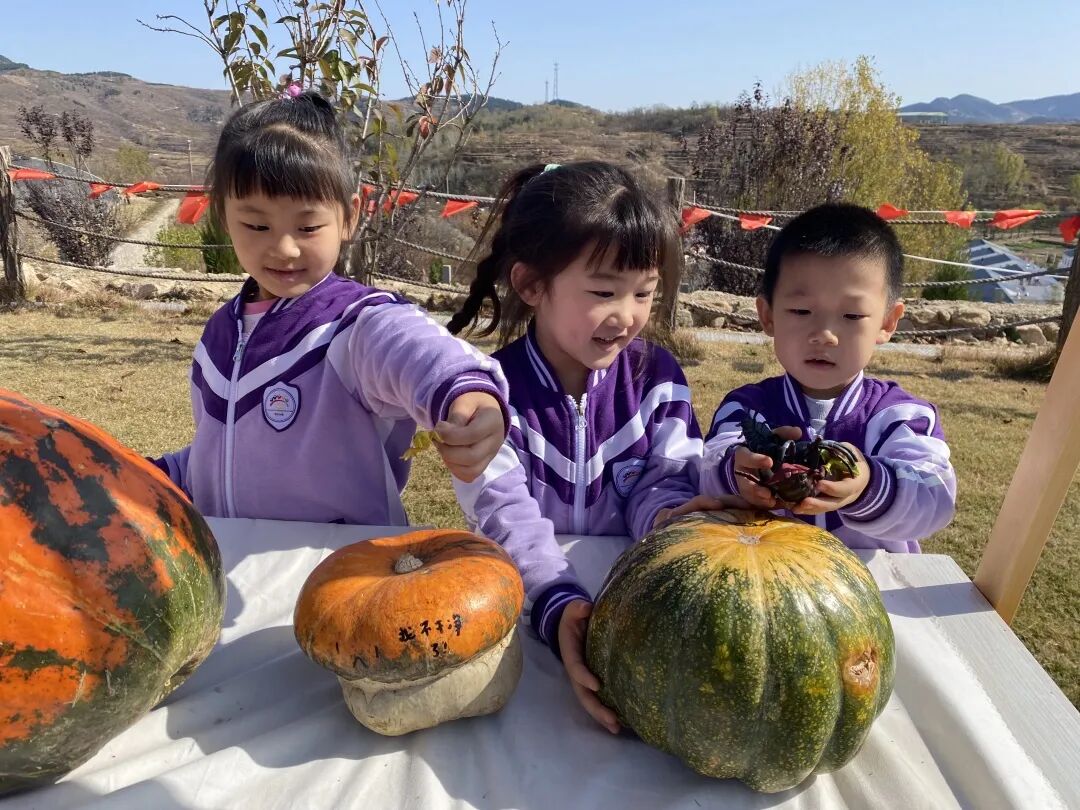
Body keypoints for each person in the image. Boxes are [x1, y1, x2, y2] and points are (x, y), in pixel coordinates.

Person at [153, 89, 508, 525]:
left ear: (348, 217)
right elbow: (221, 452)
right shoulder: (219, 335)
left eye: (307, 227)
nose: (284, 248)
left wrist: (467, 392)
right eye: (257, 225)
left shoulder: (355, 327)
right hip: (230, 561)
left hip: (345, 563)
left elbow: (416, 350)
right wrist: (155, 474)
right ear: (224, 217)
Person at [448, 161, 712, 732]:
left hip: (633, 619)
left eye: (644, 293)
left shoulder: (657, 379)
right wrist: (558, 602)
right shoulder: (491, 397)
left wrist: (669, 522)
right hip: (525, 618)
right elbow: (504, 513)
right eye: (603, 292)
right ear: (531, 286)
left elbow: (664, 479)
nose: (627, 316)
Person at [682, 203, 956, 552]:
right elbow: (708, 468)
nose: (825, 335)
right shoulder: (746, 408)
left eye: (852, 315)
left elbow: (935, 497)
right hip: (767, 574)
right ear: (768, 316)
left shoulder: (900, 417)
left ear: (887, 322)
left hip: (873, 580)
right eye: (801, 311)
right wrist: (736, 472)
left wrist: (869, 486)